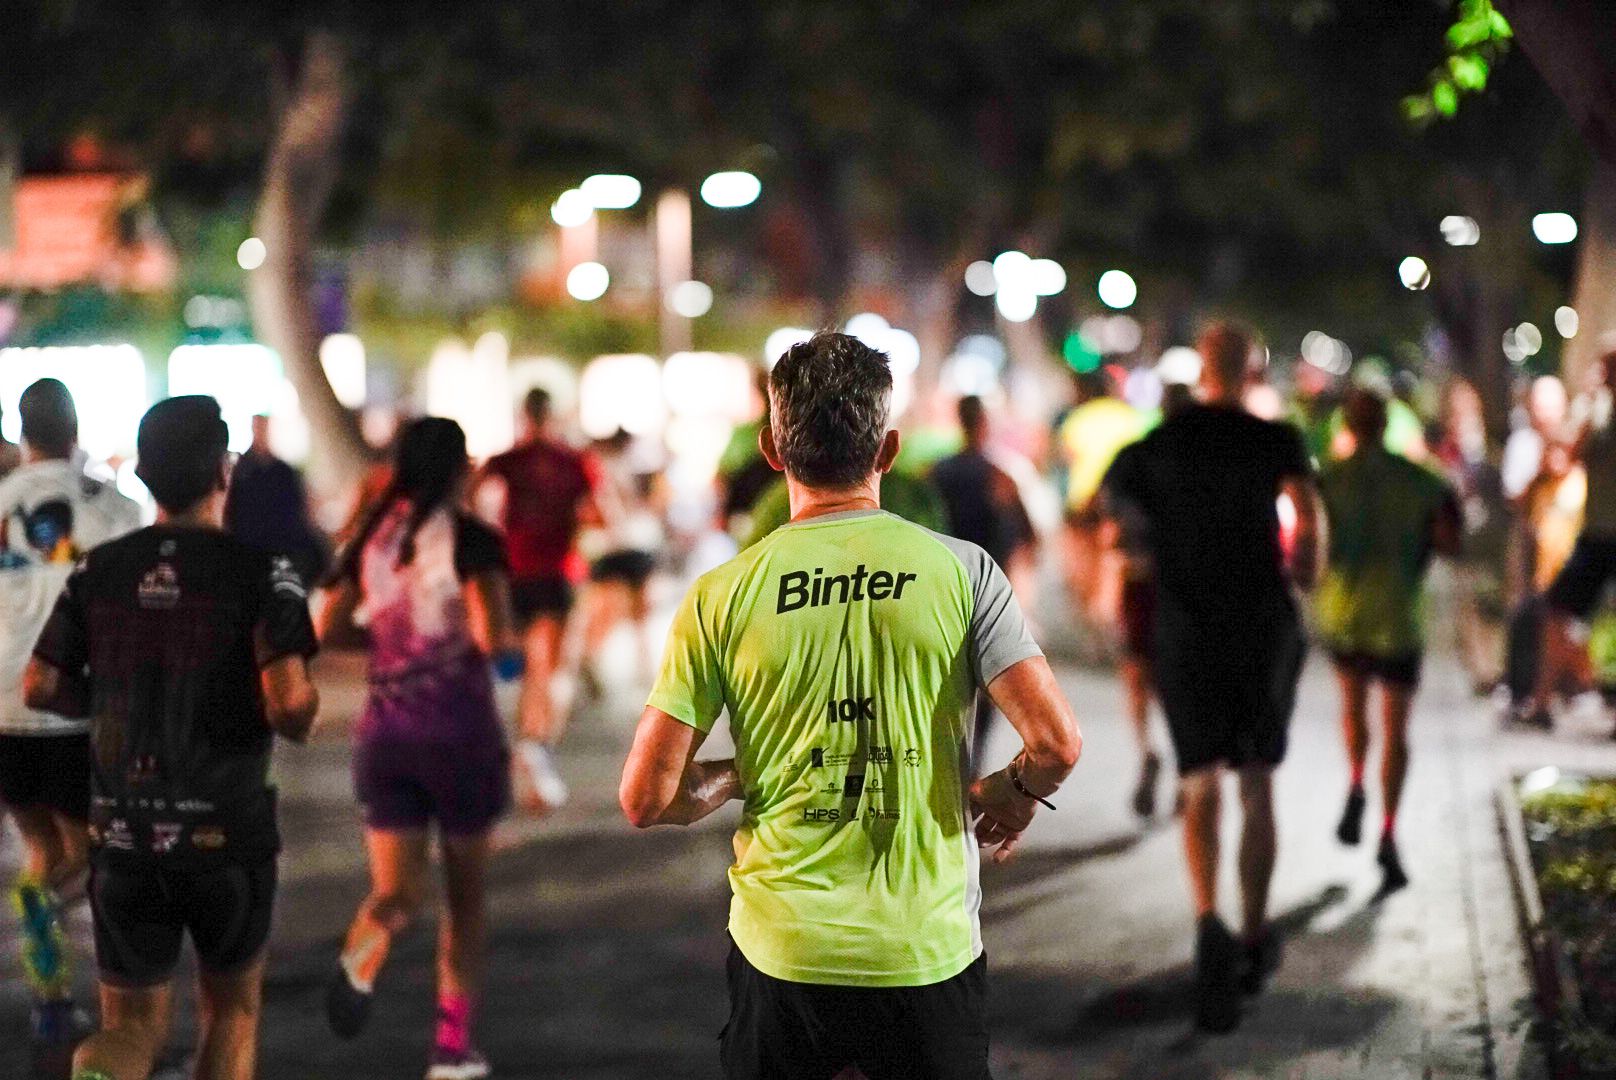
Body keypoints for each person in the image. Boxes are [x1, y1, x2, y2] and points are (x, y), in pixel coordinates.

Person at [620, 332, 1081, 1079]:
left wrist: (741, 775)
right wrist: (1014, 793)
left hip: (784, 953)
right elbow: (1056, 744)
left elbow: (646, 796)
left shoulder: (722, 593)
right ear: (889, 450)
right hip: (925, 955)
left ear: (772, 449)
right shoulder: (962, 572)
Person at [23, 394, 319, 1080]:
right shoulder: (262, 573)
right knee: (232, 1014)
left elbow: (39, 686)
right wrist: (297, 716)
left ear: (147, 475)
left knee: (129, 1027)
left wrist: (105, 702)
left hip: (123, 834)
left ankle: (99, 1071)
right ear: (224, 471)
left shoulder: (100, 570)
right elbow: (289, 703)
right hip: (226, 835)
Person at [1102, 321, 1318, 1033]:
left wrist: (1133, 562)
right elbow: (1309, 523)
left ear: (1201, 367)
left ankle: (1207, 922)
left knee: (1200, 782)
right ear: (1252, 367)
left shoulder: (1160, 442)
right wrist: (1305, 579)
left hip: (1185, 629)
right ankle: (1254, 936)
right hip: (1259, 625)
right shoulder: (1275, 440)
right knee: (1256, 781)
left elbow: (1113, 511)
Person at [318, 417, 525, 1080]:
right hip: (459, 739)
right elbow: (495, 641)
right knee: (463, 902)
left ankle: (363, 952)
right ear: (460, 467)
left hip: (385, 739)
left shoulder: (372, 539)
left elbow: (327, 630)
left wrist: (388, 647)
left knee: (396, 895)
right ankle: (451, 1050)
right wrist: (518, 655)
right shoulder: (471, 540)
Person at [0, 378, 141, 1043]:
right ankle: (46, 916)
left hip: (2, 706)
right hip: (69, 705)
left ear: (23, 433)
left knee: (37, 845)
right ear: (74, 428)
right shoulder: (111, 506)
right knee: (87, 850)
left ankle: (51, 996)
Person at [1316, 388, 1462, 894]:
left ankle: (1356, 781)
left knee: (1353, 708)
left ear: (1349, 425)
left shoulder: (1328, 481)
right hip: (1400, 616)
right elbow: (1451, 540)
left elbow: (1310, 548)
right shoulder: (1423, 481)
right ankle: (1389, 833)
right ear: (1386, 424)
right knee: (1397, 729)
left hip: (1346, 615)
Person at [474, 388, 601, 810]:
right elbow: (597, 513)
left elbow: (471, 498)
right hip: (553, 572)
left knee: (528, 663)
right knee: (545, 665)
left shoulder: (507, 460)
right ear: (552, 414)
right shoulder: (572, 462)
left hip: (513, 572)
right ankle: (534, 742)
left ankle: (526, 744)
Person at [929, 395, 1038, 774]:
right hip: (988, 594)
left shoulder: (934, 474)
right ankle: (972, 764)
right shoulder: (999, 476)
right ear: (983, 424)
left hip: (937, 592)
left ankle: (947, 760)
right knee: (987, 684)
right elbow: (1028, 536)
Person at [1520, 351, 1616, 732]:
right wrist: (1588, 406)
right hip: (1598, 532)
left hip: (1606, 532)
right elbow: (1571, 453)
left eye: (1606, 367)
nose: (1600, 373)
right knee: (1556, 608)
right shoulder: (1600, 412)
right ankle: (1541, 701)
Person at [223, 413, 330, 585]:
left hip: (285, 546)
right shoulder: (241, 472)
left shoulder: (283, 471)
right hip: (253, 549)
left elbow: (301, 508)